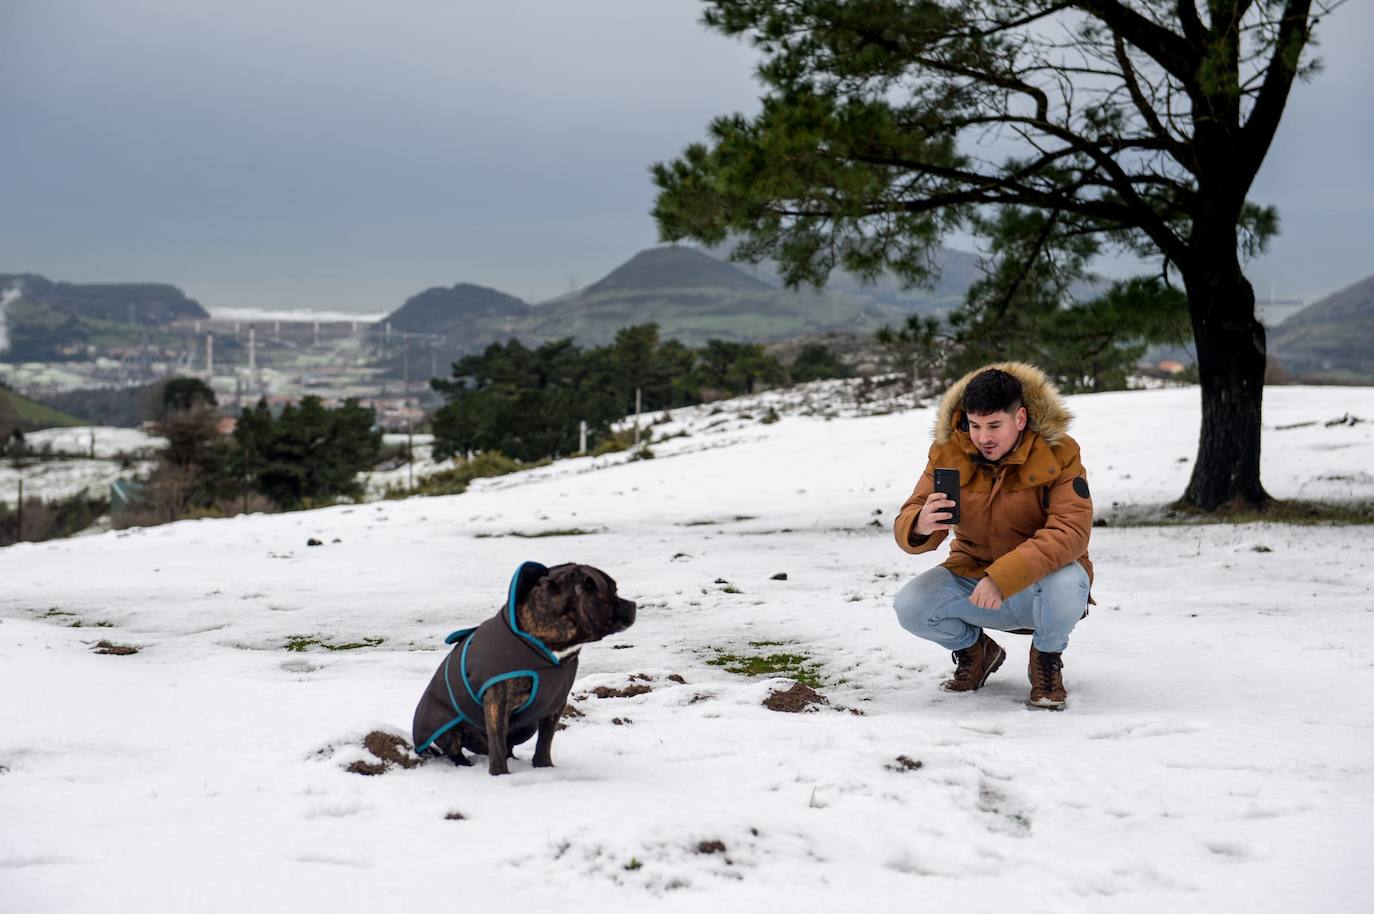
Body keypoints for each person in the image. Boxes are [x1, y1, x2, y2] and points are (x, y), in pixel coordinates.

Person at [892, 363, 1093, 710]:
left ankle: (1045, 661)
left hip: (1039, 586)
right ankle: (977, 652)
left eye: (994, 426)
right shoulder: (948, 452)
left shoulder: (1060, 452)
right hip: (973, 576)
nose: (983, 437)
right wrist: (919, 524)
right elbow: (909, 516)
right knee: (910, 605)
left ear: (1020, 418)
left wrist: (1003, 577)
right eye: (975, 425)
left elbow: (1071, 531)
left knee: (1069, 579)